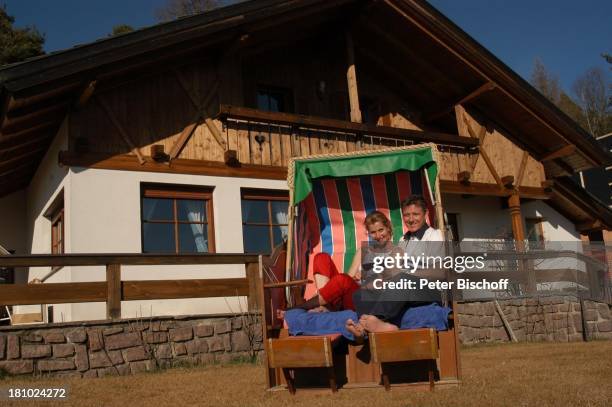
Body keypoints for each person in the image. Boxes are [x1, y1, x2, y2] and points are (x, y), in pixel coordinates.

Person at [346, 195, 446, 339]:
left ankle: (368, 324)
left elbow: (440, 272)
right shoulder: (403, 240)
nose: (411, 219)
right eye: (407, 215)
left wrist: (407, 273)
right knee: (361, 294)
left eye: (416, 214)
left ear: (425, 214)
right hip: (403, 286)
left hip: (429, 288)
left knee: (401, 279)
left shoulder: (434, 236)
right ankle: (370, 329)